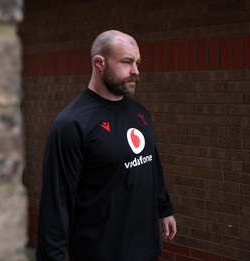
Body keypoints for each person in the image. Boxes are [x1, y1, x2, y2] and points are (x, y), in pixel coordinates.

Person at [36, 30, 176, 261]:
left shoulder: (140, 114)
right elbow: (57, 201)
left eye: (137, 63)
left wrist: (164, 208)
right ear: (99, 63)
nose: (136, 71)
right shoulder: (71, 124)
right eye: (126, 62)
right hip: (100, 252)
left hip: (146, 249)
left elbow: (151, 165)